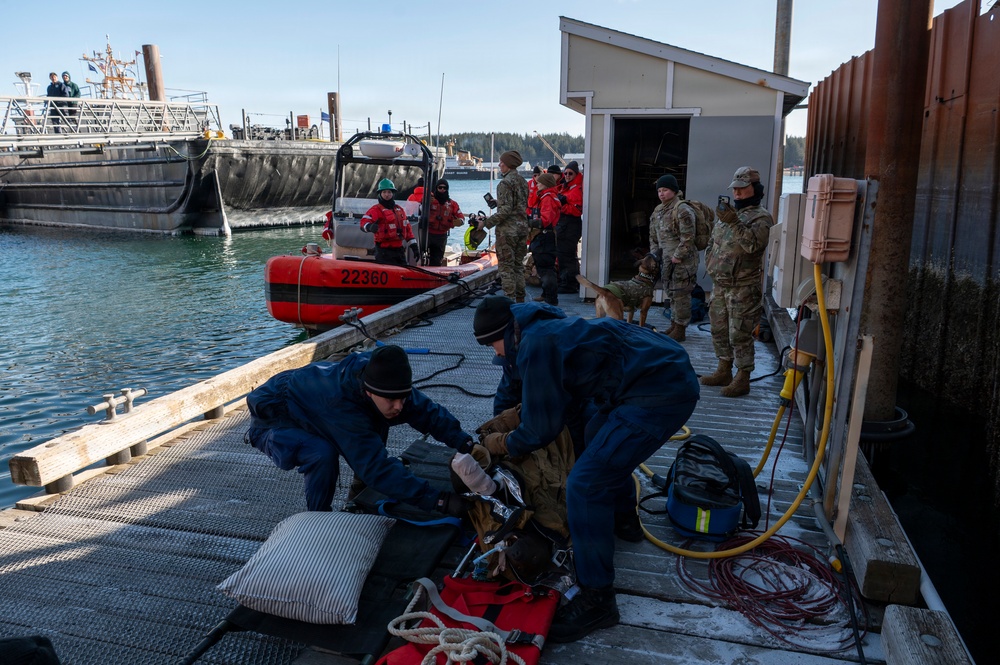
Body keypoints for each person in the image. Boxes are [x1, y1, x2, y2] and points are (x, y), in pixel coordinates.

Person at [472, 296, 700, 642]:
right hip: (650, 368)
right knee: (597, 442)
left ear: (504, 333)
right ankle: (624, 521)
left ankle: (598, 599)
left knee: (586, 484)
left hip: (661, 390)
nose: (496, 352)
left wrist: (497, 444)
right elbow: (547, 399)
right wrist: (502, 420)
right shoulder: (530, 324)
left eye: (493, 344)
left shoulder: (536, 344)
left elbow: (540, 430)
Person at [245, 345, 475, 515]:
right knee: (321, 452)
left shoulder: (387, 381)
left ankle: (359, 495)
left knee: (380, 416)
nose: (399, 406)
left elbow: (427, 412)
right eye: (392, 400)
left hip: (313, 401)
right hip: (274, 419)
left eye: (403, 398)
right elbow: (376, 468)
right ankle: (317, 519)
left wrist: (466, 443)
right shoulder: (342, 409)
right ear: (369, 392)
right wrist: (438, 501)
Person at [702, 166, 774, 397]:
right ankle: (724, 369)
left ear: (755, 189)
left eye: (743, 188)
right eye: (735, 189)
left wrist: (734, 222)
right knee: (719, 330)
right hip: (720, 285)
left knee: (739, 334)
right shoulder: (728, 215)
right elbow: (714, 243)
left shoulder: (761, 218)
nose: (738, 193)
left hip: (743, 287)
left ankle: (743, 377)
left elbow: (753, 246)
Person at [647, 174, 698, 341]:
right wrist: (655, 254)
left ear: (674, 191)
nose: (661, 194)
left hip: (682, 261)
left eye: (665, 190)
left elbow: (688, 237)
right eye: (659, 190)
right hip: (666, 259)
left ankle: (681, 328)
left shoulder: (682, 209)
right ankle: (675, 324)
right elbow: (653, 235)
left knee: (681, 294)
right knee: (671, 292)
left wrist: (678, 256)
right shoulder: (658, 210)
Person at [476, 150, 529, 302]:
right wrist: (498, 202)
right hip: (522, 229)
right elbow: (518, 205)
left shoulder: (504, 183)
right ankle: (520, 302)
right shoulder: (523, 182)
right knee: (518, 267)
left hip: (507, 232)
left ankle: (509, 302)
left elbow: (506, 211)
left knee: (506, 268)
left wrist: (485, 224)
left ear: (508, 165)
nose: (499, 165)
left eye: (501, 162)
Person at [361, 178, 418, 266]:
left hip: (399, 251)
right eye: (384, 192)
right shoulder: (376, 210)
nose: (387, 195)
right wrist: (369, 227)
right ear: (380, 194)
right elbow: (364, 222)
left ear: (393, 194)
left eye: (389, 192)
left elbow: (408, 229)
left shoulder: (400, 210)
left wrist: (414, 246)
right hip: (383, 252)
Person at [528, 172, 561, 305]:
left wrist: (529, 222)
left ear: (546, 184)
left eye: (540, 182)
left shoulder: (548, 198)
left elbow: (546, 220)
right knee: (544, 266)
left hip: (544, 237)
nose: (537, 184)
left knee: (545, 268)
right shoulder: (548, 197)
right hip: (545, 236)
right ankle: (546, 294)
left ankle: (551, 299)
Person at [555, 161, 584, 293]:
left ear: (576, 174)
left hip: (570, 225)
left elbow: (577, 210)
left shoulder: (576, 189)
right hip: (565, 225)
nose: (567, 175)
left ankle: (569, 284)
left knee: (567, 256)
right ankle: (568, 282)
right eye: (565, 173)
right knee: (565, 255)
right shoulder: (567, 187)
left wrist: (561, 205)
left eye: (570, 173)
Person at [425, 179, 464, 266]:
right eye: (440, 187)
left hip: (441, 236)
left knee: (437, 259)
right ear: (436, 188)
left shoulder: (452, 204)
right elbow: (419, 210)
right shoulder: (429, 200)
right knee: (423, 257)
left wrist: (459, 222)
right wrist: (426, 203)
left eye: (444, 188)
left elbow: (461, 217)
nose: (442, 190)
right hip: (428, 234)